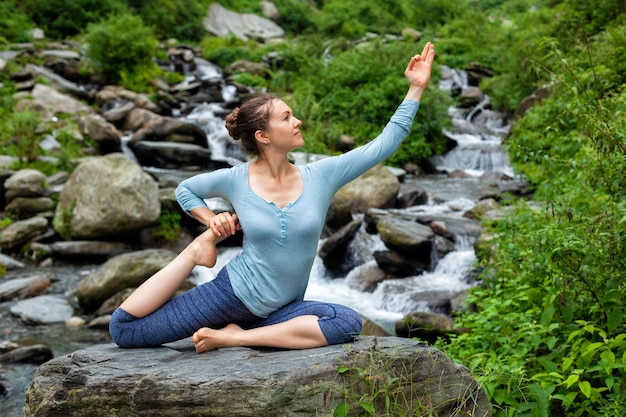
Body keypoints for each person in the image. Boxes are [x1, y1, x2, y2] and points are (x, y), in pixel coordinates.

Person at [109, 42, 435, 353]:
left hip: (281, 312)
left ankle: (235, 338)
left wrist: (416, 87)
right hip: (230, 294)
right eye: (287, 118)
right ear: (263, 136)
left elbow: (384, 144)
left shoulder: (321, 175)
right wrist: (210, 223)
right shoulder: (236, 179)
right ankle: (194, 253)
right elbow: (186, 190)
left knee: (346, 322)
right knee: (125, 330)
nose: (298, 122)